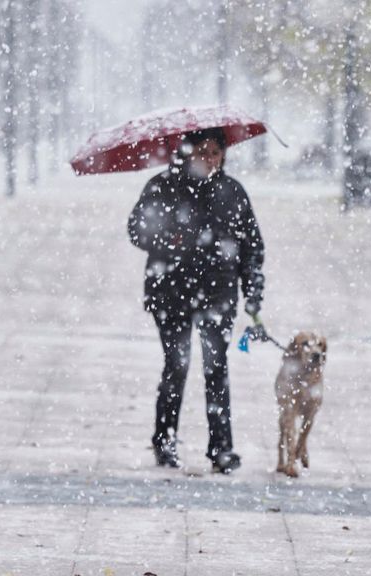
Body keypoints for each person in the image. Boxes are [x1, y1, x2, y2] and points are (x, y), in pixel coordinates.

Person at [127, 128, 265, 474]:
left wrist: (253, 294)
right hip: (170, 291)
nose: (210, 158)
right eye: (202, 150)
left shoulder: (232, 192)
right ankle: (165, 439)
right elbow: (135, 228)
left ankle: (221, 448)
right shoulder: (163, 186)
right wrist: (168, 238)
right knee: (177, 363)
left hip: (218, 294)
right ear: (186, 152)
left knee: (216, 367)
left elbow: (251, 246)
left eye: (216, 151)